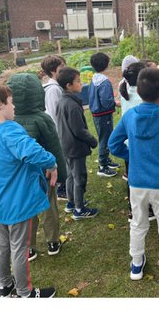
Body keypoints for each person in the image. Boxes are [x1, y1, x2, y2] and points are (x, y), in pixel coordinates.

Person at [0, 78, 58, 299]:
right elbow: (33, 152)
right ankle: (25, 293)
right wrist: (52, 162)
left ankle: (5, 287)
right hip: (17, 203)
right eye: (11, 102)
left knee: (2, 245)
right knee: (20, 248)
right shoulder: (10, 131)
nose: (14, 106)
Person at [109, 65, 159, 292]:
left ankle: (136, 264)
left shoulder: (130, 116)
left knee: (138, 223)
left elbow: (113, 144)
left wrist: (133, 157)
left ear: (138, 92)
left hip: (137, 182)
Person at [10, 70, 67, 260]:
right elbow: (54, 147)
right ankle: (52, 241)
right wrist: (62, 173)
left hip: (21, 175)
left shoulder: (8, 122)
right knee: (49, 205)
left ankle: (30, 247)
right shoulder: (43, 119)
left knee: (28, 209)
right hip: (45, 172)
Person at [54, 65, 99, 219]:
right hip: (75, 147)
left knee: (70, 175)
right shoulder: (72, 105)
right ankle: (79, 209)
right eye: (78, 81)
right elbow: (78, 130)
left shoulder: (62, 101)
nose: (81, 84)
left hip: (65, 146)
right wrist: (93, 140)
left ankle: (71, 202)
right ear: (69, 85)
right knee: (79, 177)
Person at [40, 55, 69, 204]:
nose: (64, 70)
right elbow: (53, 114)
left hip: (60, 131)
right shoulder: (52, 90)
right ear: (52, 71)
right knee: (61, 160)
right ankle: (62, 190)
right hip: (58, 132)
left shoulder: (56, 87)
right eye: (61, 68)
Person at [88, 51, 120, 177]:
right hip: (103, 114)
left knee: (104, 137)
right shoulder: (104, 81)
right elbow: (106, 101)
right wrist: (115, 103)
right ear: (106, 65)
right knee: (104, 138)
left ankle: (106, 160)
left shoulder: (94, 78)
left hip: (97, 113)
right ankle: (102, 166)